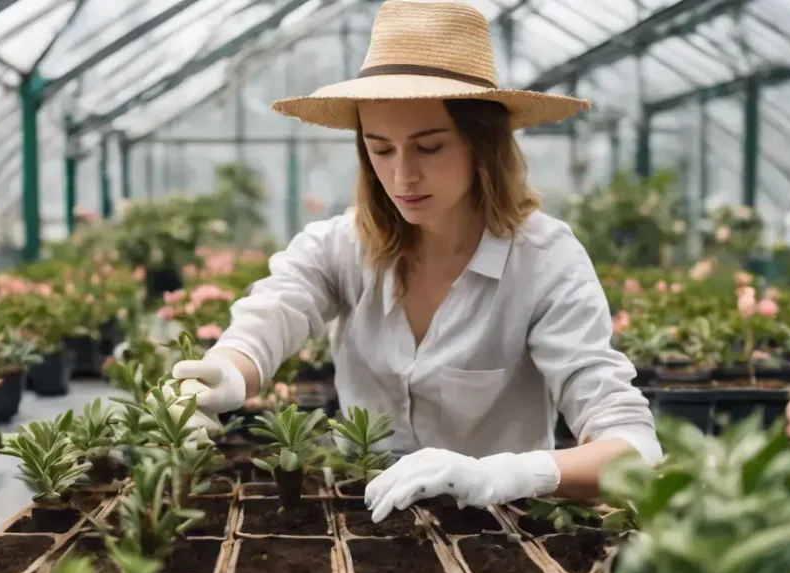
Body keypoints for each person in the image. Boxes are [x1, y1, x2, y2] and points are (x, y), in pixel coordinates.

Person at [170, 0, 663, 523]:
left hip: (502, 532)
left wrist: (502, 475)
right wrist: (225, 373)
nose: (403, 176)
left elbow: (634, 445)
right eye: (381, 150)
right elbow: (271, 316)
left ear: (483, 145)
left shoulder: (544, 262)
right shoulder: (342, 245)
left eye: (428, 147)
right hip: (363, 523)